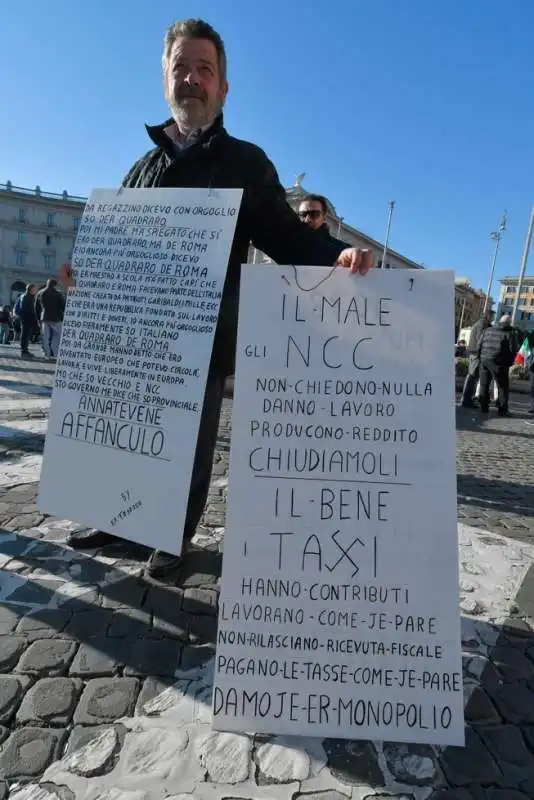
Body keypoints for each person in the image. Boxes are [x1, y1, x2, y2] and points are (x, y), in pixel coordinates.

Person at [61, 18, 374, 577]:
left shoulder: (244, 163)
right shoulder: (142, 167)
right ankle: (115, 520)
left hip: (202, 337)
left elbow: (284, 236)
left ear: (223, 87)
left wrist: (338, 257)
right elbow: (115, 249)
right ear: (165, 79)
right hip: (135, 336)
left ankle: (172, 539)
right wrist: (85, 277)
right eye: (181, 67)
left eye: (205, 69)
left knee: (188, 446)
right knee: (128, 429)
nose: (192, 79)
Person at [477, 314, 518, 416]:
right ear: (508, 323)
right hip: (499, 363)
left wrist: (480, 357)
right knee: (502, 387)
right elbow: (513, 350)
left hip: (484, 360)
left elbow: (479, 344)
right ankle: (503, 410)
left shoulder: (487, 330)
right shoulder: (509, 334)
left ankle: (484, 407)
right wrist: (509, 363)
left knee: (484, 384)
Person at [460, 310, 493, 408]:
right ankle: (466, 400)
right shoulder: (482, 325)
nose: (493, 318)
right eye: (492, 316)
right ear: (487, 316)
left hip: (475, 353)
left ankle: (467, 399)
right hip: (477, 354)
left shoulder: (480, 324)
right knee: (472, 377)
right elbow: (481, 340)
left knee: (472, 377)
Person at [35, 279, 65, 359]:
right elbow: (63, 306)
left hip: (44, 317)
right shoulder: (58, 294)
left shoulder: (40, 293)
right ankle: (55, 351)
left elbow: (36, 307)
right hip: (56, 318)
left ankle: (47, 354)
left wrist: (38, 318)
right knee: (58, 335)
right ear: (54, 285)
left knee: (45, 337)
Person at [18, 284, 38, 359]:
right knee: (24, 335)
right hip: (26, 318)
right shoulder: (27, 297)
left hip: (27, 318)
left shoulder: (28, 296)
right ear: (31, 289)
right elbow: (28, 309)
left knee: (26, 335)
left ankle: (25, 350)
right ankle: (24, 351)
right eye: (34, 289)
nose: (36, 291)